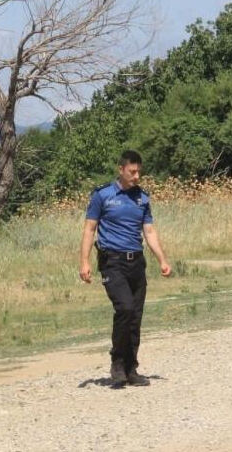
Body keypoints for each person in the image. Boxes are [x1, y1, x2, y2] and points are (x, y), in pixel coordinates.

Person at [80, 150, 172, 387]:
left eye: (139, 171)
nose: (137, 176)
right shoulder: (103, 195)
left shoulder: (143, 198)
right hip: (113, 262)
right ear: (120, 169)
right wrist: (85, 261)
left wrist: (162, 259)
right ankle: (117, 362)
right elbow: (90, 229)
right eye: (132, 171)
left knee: (135, 316)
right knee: (125, 308)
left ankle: (131, 368)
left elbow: (149, 231)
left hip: (136, 263)